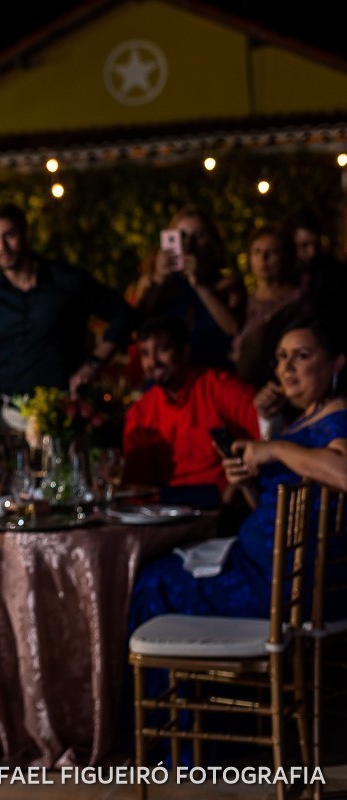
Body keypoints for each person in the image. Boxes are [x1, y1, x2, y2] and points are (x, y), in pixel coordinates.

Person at [129, 316, 347, 631]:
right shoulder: (305, 419)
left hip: (285, 586)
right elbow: (276, 509)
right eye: (282, 357)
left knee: (151, 585)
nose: (287, 368)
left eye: (302, 356)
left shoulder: (338, 415)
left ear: (336, 364)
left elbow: (342, 473)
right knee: (154, 572)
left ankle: (177, 679)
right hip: (264, 566)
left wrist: (273, 450)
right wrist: (246, 483)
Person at [0, 201, 136, 435]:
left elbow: (123, 314)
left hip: (65, 414)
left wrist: (93, 364)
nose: (1, 246)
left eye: (9, 235)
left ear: (26, 233)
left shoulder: (65, 279)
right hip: (9, 419)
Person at [123, 315, 260, 510]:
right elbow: (137, 485)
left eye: (162, 350)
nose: (153, 362)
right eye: (145, 353)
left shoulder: (219, 387)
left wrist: (237, 484)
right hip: (165, 511)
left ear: (184, 351)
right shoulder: (140, 412)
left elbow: (268, 434)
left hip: (222, 508)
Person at [135, 206, 246, 371]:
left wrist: (199, 284)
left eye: (199, 236)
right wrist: (158, 279)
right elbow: (136, 326)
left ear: (212, 242)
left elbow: (232, 329)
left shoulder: (228, 284)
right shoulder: (154, 282)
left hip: (213, 374)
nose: (189, 244)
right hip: (168, 377)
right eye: (182, 236)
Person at [231, 224, 311, 389]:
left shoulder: (298, 303)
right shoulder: (242, 299)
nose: (263, 258)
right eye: (257, 252)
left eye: (272, 252)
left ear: (286, 256)